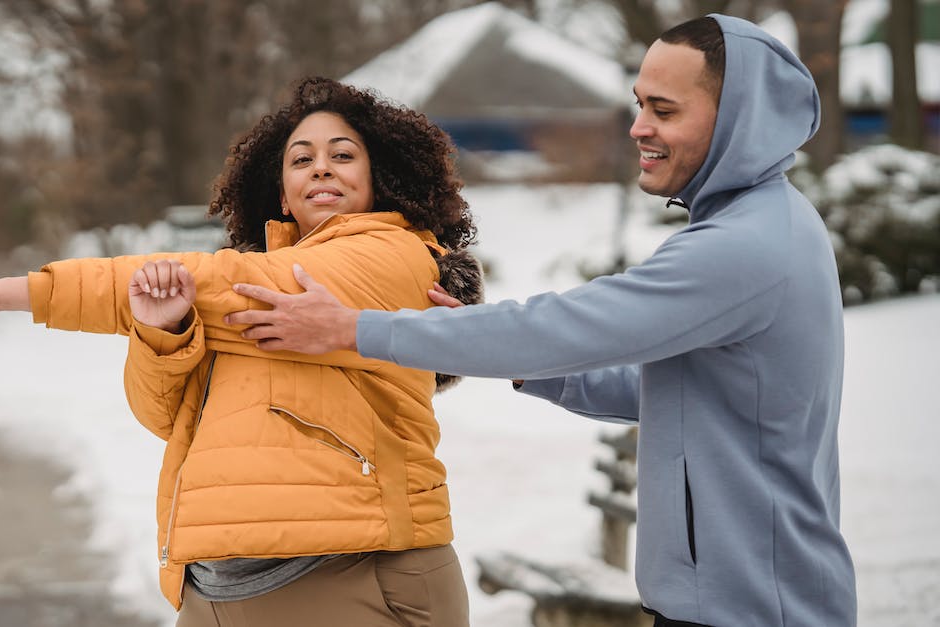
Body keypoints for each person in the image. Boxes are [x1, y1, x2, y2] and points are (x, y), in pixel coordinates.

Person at [222, 16, 857, 627]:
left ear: (737, 119)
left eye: (664, 110)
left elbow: (567, 325)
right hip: (731, 598)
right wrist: (520, 362)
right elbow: (668, 389)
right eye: (639, 104)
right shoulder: (760, 224)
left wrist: (355, 329)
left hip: (756, 606)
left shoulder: (744, 246)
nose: (638, 127)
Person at [0, 77, 483, 626]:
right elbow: (165, 416)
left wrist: (6, 294)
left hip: (353, 577)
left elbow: (216, 280)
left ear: (380, 176)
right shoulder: (256, 284)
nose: (321, 168)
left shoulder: (397, 255)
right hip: (218, 589)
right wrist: (166, 331)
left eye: (343, 155)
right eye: (301, 159)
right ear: (281, 192)